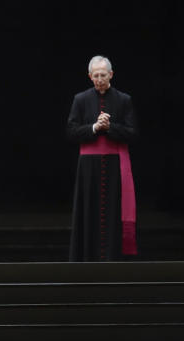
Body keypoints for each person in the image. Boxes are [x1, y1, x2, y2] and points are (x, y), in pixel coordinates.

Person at [67, 55, 139, 261]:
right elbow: (71, 132)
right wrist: (94, 127)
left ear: (111, 75)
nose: (99, 79)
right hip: (88, 169)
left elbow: (133, 133)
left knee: (113, 215)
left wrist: (110, 128)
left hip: (115, 167)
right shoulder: (80, 99)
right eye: (96, 75)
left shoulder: (124, 100)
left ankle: (113, 259)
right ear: (90, 76)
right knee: (88, 214)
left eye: (103, 75)